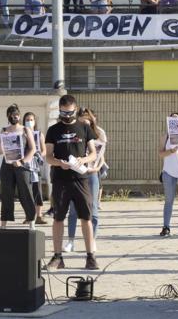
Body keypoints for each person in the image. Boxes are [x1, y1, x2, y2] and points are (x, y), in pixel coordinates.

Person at [45, 94, 99, 270]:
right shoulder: (53, 130)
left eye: (69, 113)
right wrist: (60, 163)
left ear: (75, 109)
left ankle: (90, 257)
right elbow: (48, 156)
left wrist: (83, 161)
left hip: (81, 179)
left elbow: (93, 153)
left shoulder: (84, 128)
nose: (66, 116)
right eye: (63, 113)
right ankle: (57, 257)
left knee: (86, 218)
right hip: (60, 180)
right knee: (58, 218)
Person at [64, 108, 106, 253]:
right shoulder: (74, 132)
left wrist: (97, 168)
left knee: (93, 209)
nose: (84, 125)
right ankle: (70, 241)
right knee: (73, 209)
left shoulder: (99, 134)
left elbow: (101, 157)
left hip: (92, 174)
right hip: (76, 174)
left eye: (87, 122)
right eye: (82, 122)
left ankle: (92, 240)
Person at [0, 104, 36, 229]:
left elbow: (33, 149)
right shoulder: (4, 130)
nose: (15, 116)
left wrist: (23, 161)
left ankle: (31, 221)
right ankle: (4, 223)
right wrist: (4, 141)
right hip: (7, 165)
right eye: (12, 114)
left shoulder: (25, 130)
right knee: (7, 193)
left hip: (22, 165)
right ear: (8, 116)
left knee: (26, 192)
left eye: (17, 114)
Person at [23, 112, 48, 225]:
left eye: (31, 119)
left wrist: (38, 155)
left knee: (37, 190)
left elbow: (44, 150)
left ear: (35, 121)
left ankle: (39, 215)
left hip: (35, 167)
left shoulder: (39, 134)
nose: (29, 121)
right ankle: (29, 216)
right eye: (27, 119)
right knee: (27, 192)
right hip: (24, 166)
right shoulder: (21, 134)